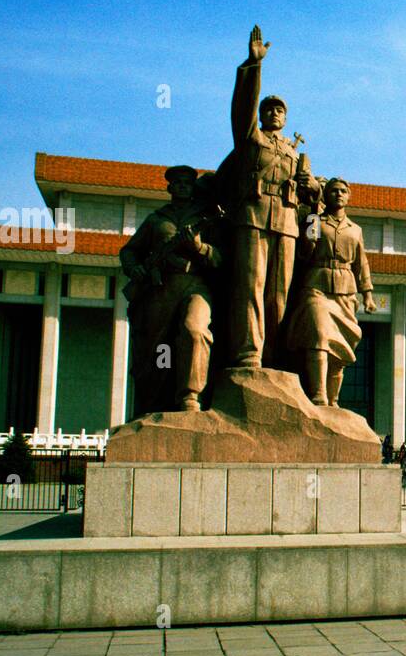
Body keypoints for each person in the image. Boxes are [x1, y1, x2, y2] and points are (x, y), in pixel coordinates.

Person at [219, 25, 321, 369]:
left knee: (279, 295)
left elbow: (311, 200)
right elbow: (242, 106)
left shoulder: (294, 154)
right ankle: (248, 352)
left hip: (287, 224)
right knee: (251, 285)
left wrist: (312, 188)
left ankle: (273, 356)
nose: (274, 113)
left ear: (286, 117)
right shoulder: (250, 139)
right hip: (252, 216)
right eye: (269, 109)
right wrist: (254, 64)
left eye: (279, 110)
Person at [119, 165, 222, 415]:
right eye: (177, 182)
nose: (183, 186)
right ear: (169, 187)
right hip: (161, 289)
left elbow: (221, 258)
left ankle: (190, 395)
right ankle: (157, 401)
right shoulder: (157, 219)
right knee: (160, 350)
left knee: (195, 330)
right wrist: (134, 269)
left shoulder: (207, 217)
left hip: (195, 285)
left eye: (187, 182)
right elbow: (129, 251)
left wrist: (199, 247)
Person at [284, 177, 377, 404]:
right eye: (334, 190)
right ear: (325, 195)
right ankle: (318, 394)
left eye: (343, 191)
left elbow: (361, 263)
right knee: (319, 334)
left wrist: (368, 295)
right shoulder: (315, 221)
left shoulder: (355, 230)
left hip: (345, 292)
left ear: (348, 196)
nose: (338, 194)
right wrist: (311, 232)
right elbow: (304, 255)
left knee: (340, 349)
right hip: (317, 285)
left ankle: (333, 399)